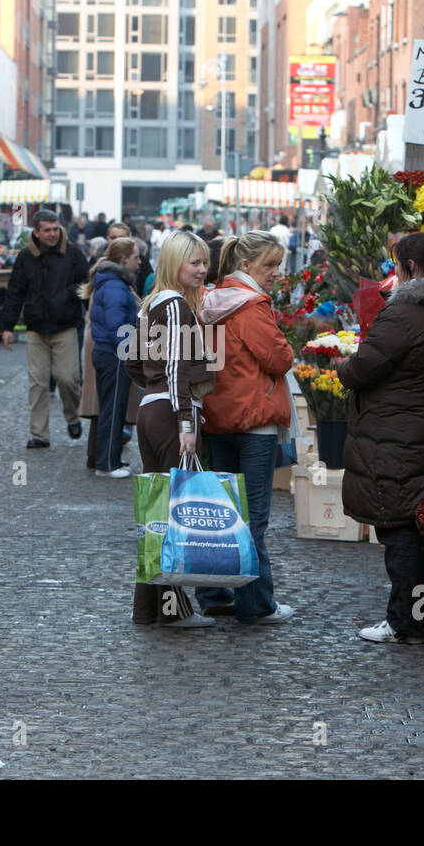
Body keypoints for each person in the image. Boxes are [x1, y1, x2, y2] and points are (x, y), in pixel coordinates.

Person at [338, 233, 424, 645]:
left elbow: (364, 367)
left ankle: (407, 622)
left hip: (394, 433)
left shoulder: (403, 314)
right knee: (422, 524)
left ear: (411, 268)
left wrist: (345, 367)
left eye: (397, 264)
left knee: (397, 525)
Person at [196, 232, 297, 624]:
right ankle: (256, 605)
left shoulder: (211, 300)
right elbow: (279, 358)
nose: (275, 274)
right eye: (269, 265)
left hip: (219, 417)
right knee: (253, 518)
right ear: (245, 266)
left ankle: (213, 593)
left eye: (277, 265)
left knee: (221, 512)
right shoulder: (251, 306)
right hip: (254, 419)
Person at [124, 230, 215, 628]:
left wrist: (152, 386)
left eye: (204, 262)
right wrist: (184, 420)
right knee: (171, 512)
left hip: (151, 410)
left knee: (157, 514)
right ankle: (171, 611)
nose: (202, 269)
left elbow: (129, 359)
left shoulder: (150, 304)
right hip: (172, 414)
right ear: (174, 263)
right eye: (194, 262)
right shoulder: (176, 305)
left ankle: (151, 610)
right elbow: (177, 367)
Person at [0, 209, 88, 448]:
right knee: (37, 384)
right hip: (36, 328)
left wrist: (80, 303)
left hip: (66, 326)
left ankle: (72, 417)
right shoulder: (25, 257)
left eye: (55, 229)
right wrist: (7, 326)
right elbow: (15, 292)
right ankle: (39, 434)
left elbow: (86, 285)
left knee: (68, 378)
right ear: (36, 232)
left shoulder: (73, 254)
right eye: (46, 230)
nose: (52, 234)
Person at [85, 237, 141, 478]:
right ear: (124, 258)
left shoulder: (110, 283)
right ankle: (107, 464)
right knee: (112, 409)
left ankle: (111, 458)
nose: (140, 262)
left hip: (107, 352)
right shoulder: (116, 287)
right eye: (136, 257)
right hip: (113, 354)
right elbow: (116, 325)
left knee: (113, 407)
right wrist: (128, 352)